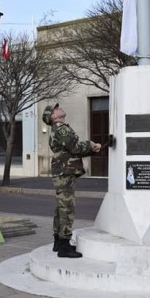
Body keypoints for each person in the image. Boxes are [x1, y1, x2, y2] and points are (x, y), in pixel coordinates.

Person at [42, 103, 101, 258]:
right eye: (56, 109)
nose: (60, 108)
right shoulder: (61, 129)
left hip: (62, 172)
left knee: (61, 207)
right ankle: (64, 247)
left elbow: (69, 150)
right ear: (53, 117)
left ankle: (58, 242)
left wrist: (89, 149)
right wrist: (91, 145)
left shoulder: (58, 130)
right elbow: (75, 148)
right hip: (64, 173)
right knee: (67, 208)